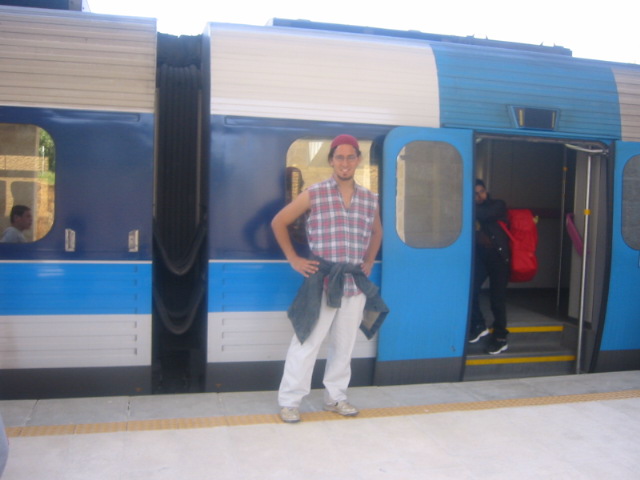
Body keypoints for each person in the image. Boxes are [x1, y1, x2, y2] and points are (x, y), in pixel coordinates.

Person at [272, 134, 386, 423]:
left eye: (350, 157)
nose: (345, 163)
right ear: (331, 161)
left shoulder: (369, 199)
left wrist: (369, 259)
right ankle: (290, 401)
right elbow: (279, 222)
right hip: (322, 279)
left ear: (358, 160)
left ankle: (335, 397)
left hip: (354, 281)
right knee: (307, 339)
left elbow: (377, 232)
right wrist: (294, 259)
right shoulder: (315, 193)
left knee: (344, 343)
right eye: (339, 157)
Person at [469, 179, 510, 355]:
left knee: (497, 299)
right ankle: (478, 325)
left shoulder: (498, 205)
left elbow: (484, 214)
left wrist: (465, 204)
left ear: (487, 191)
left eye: (481, 192)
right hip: (481, 256)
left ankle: (500, 338)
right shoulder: (474, 209)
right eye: (475, 194)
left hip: (499, 257)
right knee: (470, 290)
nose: (479, 196)